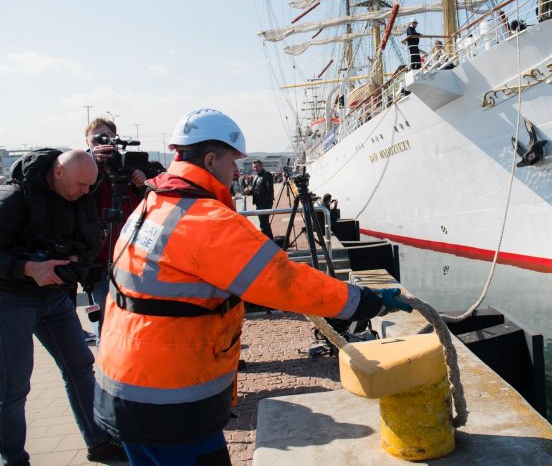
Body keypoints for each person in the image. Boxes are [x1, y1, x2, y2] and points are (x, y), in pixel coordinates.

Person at [93, 108, 410, 466]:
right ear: (211, 159)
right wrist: (362, 301)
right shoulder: (207, 221)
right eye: (234, 161)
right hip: (170, 401)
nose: (238, 171)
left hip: (125, 385)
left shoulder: (154, 203)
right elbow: (284, 282)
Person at [0, 149, 127, 465]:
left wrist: (77, 260)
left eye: (90, 186)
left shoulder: (82, 195)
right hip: (12, 298)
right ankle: (14, 459)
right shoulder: (14, 199)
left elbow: (94, 239)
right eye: (81, 185)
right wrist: (29, 268)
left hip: (56, 295)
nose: (86, 192)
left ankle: (99, 441)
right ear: (58, 173)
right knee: (13, 387)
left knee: (80, 368)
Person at [85, 117, 147, 341]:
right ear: (88, 143)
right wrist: (92, 161)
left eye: (108, 138)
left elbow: (145, 206)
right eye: (97, 139)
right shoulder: (83, 167)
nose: (104, 144)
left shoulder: (125, 165)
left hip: (131, 257)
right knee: (105, 325)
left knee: (134, 320)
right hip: (100, 261)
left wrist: (141, 185)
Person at [244, 159, 274, 239]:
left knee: (263, 225)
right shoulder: (256, 176)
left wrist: (265, 205)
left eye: (257, 166)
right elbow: (254, 191)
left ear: (261, 166)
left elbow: (270, 191)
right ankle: (271, 242)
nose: (255, 168)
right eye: (254, 167)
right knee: (265, 223)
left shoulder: (267, 175)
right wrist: (248, 192)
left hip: (265, 204)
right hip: (258, 204)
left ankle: (265, 244)